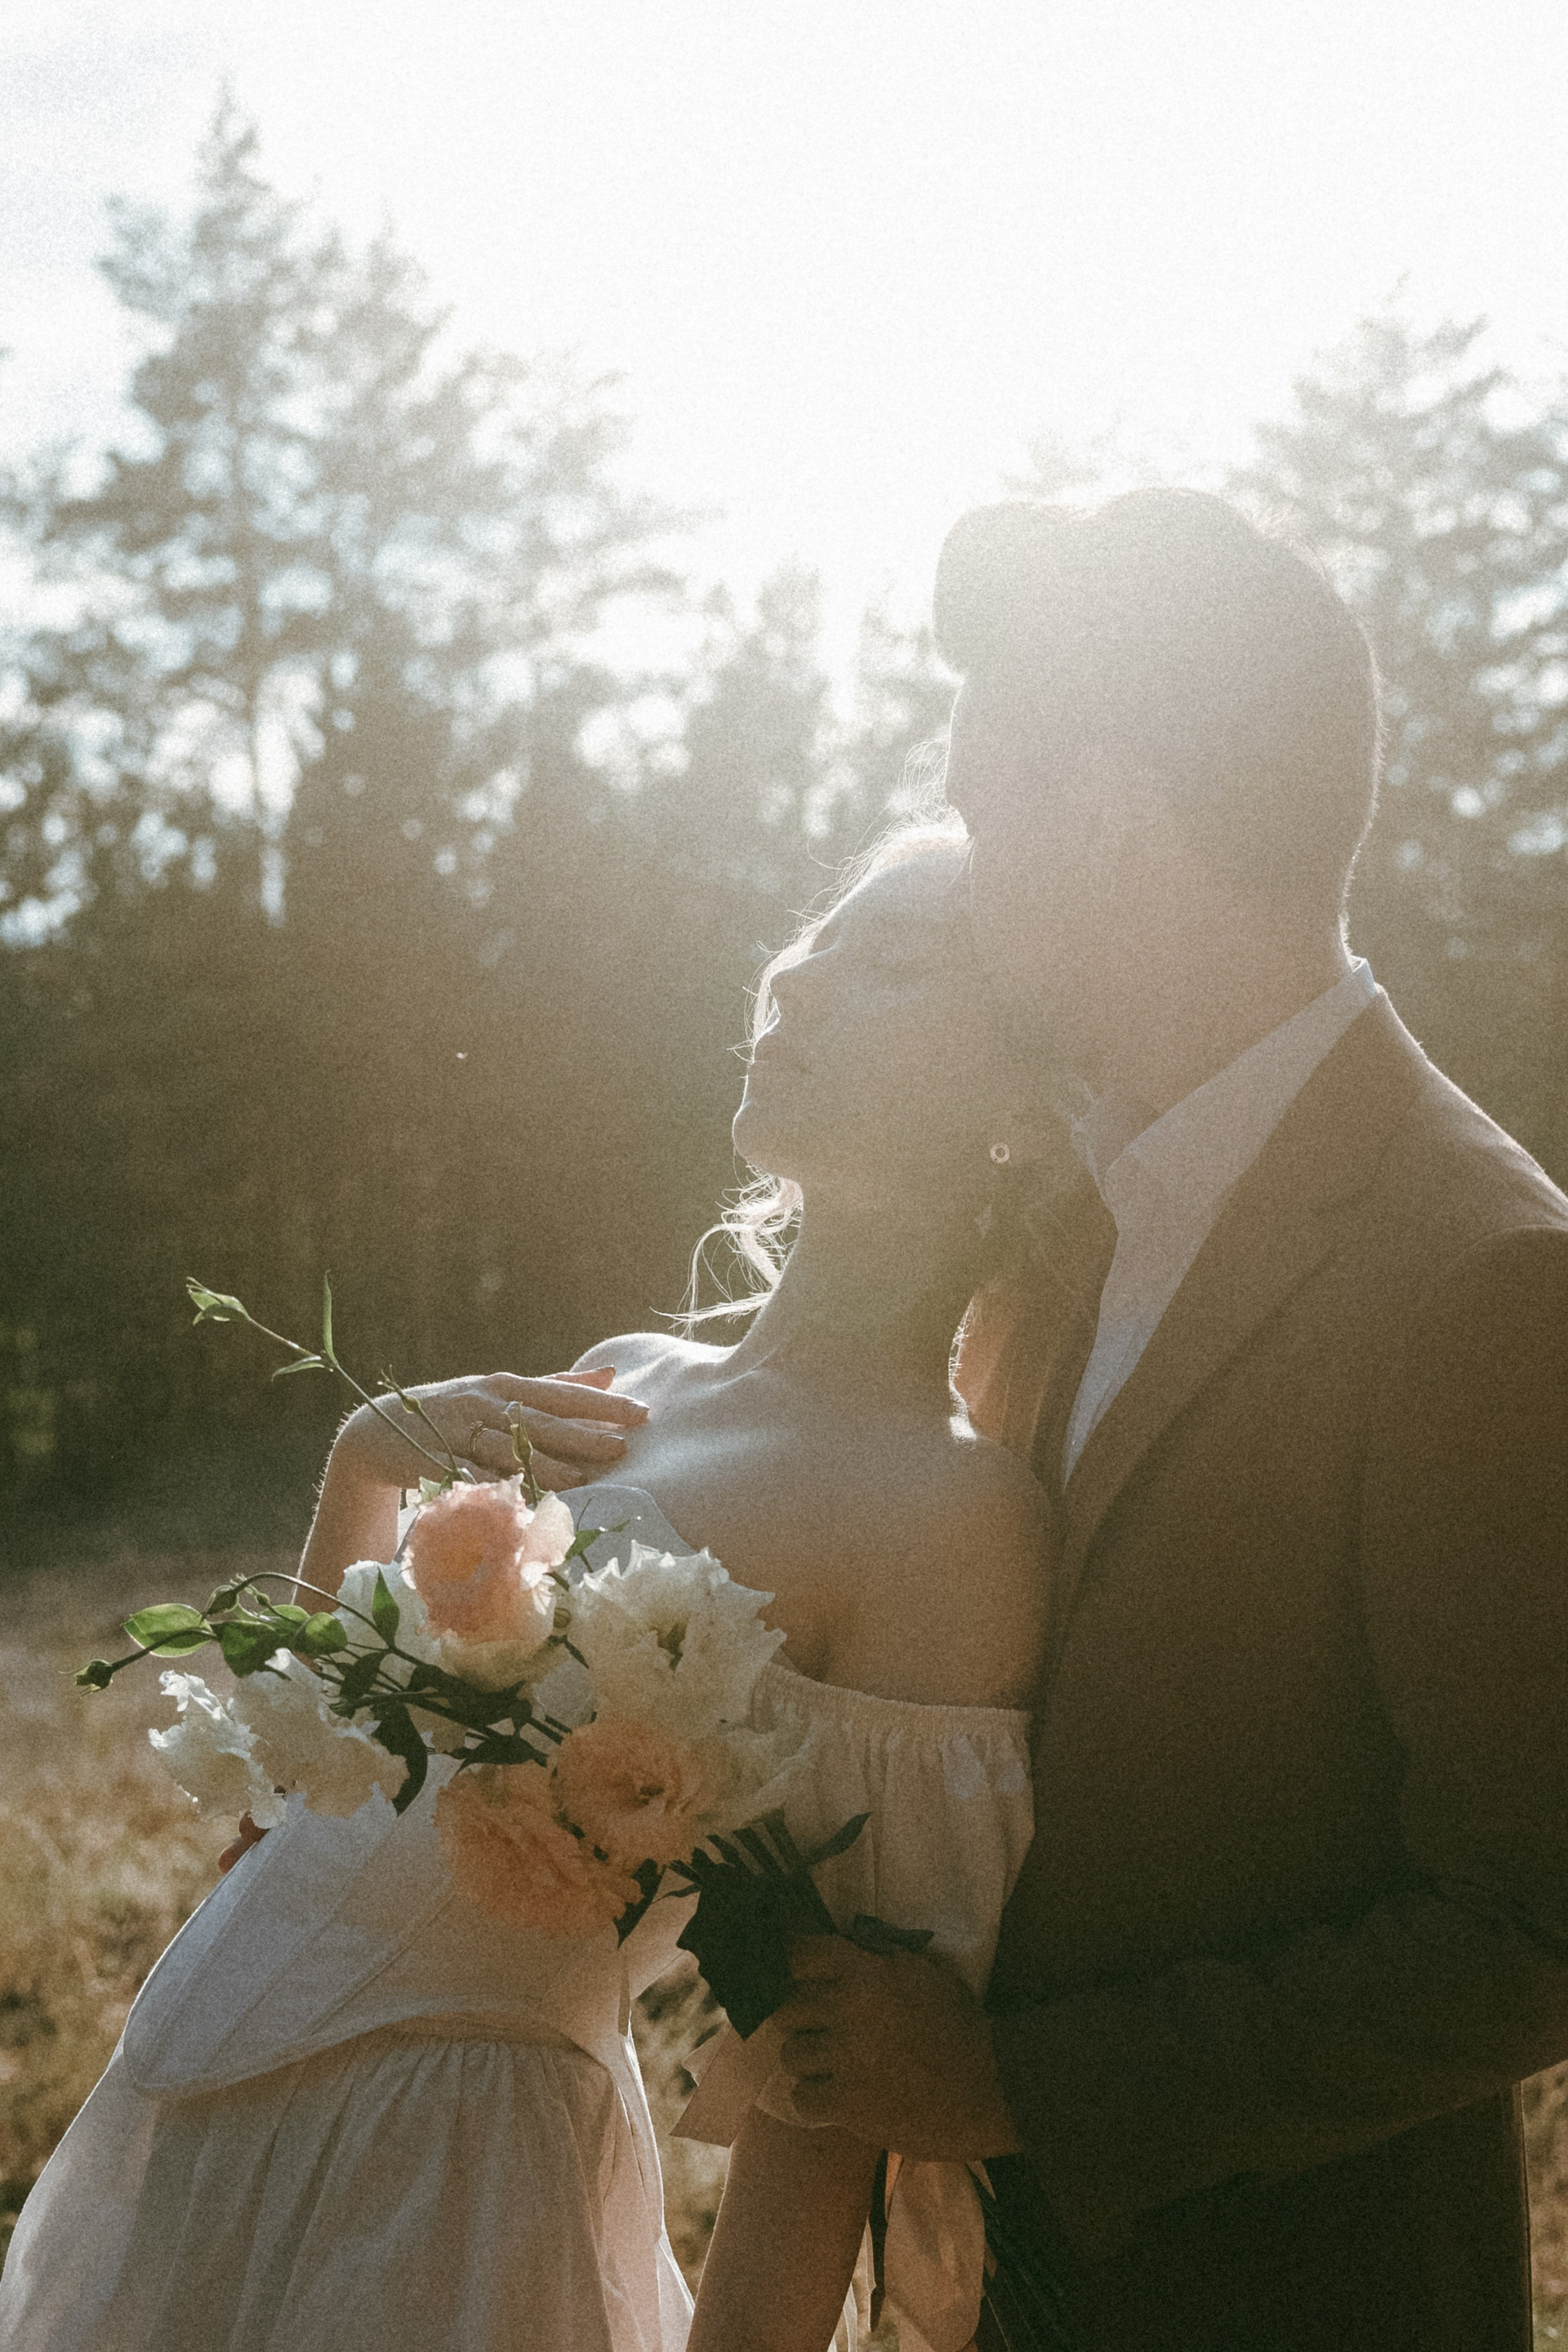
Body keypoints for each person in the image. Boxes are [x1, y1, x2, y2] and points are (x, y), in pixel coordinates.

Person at [0, 825, 1062, 2352]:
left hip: (436, 2193)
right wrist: (366, 1467)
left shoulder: (949, 1515)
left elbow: (833, 2087)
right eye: (820, 935)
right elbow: (314, 1799)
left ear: (1024, 1106)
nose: (798, 979)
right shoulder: (625, 1378)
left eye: (890, 961)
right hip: (196, 2127)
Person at [768, 489, 1568, 2351]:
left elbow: (1537, 1919)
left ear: (1113, 813)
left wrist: (1019, 2086)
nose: (970, 873)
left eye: (985, 814)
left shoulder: (1483, 1279)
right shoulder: (1073, 1213)